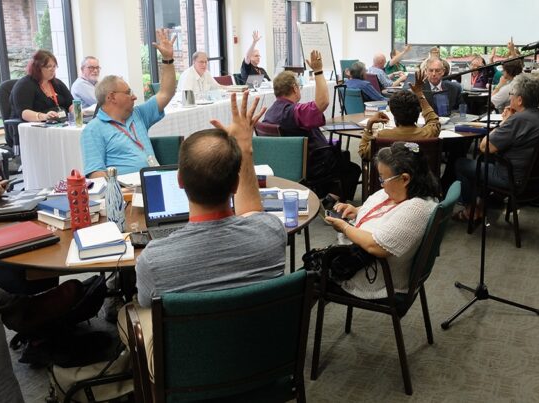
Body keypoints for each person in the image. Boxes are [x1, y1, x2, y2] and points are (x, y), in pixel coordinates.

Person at [118, 92, 288, 371]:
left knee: (128, 315)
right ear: (234, 185)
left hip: (186, 373)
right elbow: (253, 211)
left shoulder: (153, 260)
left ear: (180, 181)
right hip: (261, 362)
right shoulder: (271, 232)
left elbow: (146, 302)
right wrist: (245, 146)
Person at [324, 142, 439, 299]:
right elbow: (386, 213)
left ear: (405, 179)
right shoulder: (403, 192)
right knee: (309, 276)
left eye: (383, 179)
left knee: (307, 280)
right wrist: (357, 211)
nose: (381, 184)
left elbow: (376, 246)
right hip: (364, 263)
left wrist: (344, 227)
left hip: (375, 277)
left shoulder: (418, 208)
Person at [454, 74, 539, 220]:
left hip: (513, 178)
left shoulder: (518, 120)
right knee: (487, 160)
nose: (510, 98)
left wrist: (505, 122)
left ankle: (471, 211)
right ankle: (483, 204)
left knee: (461, 164)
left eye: (512, 94)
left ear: (520, 100)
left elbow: (484, 147)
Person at [264, 50, 361, 200]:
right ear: (295, 88)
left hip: (286, 164)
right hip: (313, 164)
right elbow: (322, 102)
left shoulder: (270, 113)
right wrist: (318, 71)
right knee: (351, 167)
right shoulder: (294, 112)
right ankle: (333, 201)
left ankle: (329, 196)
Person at [81, 29, 177, 178]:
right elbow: (95, 174)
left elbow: (166, 93)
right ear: (111, 97)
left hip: (153, 180)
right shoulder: (94, 129)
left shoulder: (138, 114)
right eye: (128, 93)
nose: (134, 97)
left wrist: (168, 59)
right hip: (127, 192)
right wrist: (122, 191)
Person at [359, 70, 440, 160]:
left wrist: (369, 124)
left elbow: (364, 153)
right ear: (418, 111)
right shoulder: (429, 133)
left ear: (393, 113)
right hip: (420, 173)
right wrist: (419, 93)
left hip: (392, 174)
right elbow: (434, 120)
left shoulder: (382, 136)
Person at [9, 50, 72, 123]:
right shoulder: (24, 85)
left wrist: (76, 112)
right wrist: (45, 116)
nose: (52, 70)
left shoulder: (57, 83)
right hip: (33, 126)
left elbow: (71, 103)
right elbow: (24, 113)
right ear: (37, 68)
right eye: (48, 66)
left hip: (58, 123)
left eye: (54, 66)